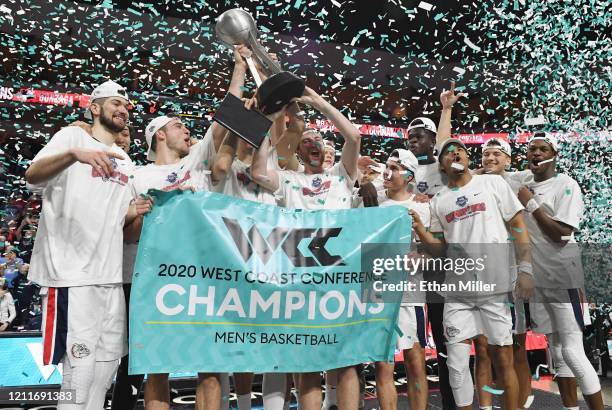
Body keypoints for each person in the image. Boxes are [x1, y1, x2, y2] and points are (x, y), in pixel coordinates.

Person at [24, 79, 151, 410]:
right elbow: (33, 175)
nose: (123, 109)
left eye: (126, 105)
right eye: (115, 103)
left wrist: (134, 213)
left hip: (109, 277)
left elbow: (119, 224)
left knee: (105, 371)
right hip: (70, 276)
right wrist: (72, 154)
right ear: (95, 108)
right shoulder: (72, 138)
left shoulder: (124, 159)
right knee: (77, 374)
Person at [252, 85, 361, 410]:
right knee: (307, 362)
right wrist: (270, 119)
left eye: (319, 140)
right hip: (300, 282)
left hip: (341, 281)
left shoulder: (342, 175)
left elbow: (353, 137)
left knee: (346, 361)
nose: (314, 144)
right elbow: (258, 170)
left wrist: (316, 102)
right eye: (307, 142)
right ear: (298, 153)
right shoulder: (288, 180)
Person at [411, 137, 534, 410]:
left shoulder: (493, 183)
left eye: (460, 151)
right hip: (457, 292)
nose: (454, 154)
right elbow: (440, 250)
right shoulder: (439, 202)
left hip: (496, 287)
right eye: (447, 153)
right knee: (455, 364)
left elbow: (517, 224)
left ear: (467, 158)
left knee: (503, 359)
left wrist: (525, 268)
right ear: (442, 165)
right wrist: (420, 229)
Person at [512, 132, 604, 410]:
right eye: (531, 149)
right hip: (538, 281)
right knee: (558, 353)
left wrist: (532, 204)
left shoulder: (567, 184)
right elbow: (490, 170)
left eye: (542, 149)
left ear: (554, 154)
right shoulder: (521, 180)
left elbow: (562, 234)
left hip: (564, 276)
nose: (536, 153)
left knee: (574, 352)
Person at [374, 148, 429, 410]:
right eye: (387, 165)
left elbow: (433, 250)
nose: (387, 171)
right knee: (383, 364)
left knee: (415, 361)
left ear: (409, 176)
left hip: (410, 294)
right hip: (377, 293)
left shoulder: (421, 207)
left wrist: (419, 257)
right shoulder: (371, 202)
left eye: (395, 167)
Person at [481, 137, 533, 409]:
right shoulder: (476, 182)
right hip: (485, 280)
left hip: (512, 278)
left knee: (517, 348)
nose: (490, 158)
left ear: (509, 159)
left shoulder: (517, 182)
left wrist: (525, 269)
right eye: (486, 153)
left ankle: (522, 404)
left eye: (497, 154)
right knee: (490, 350)